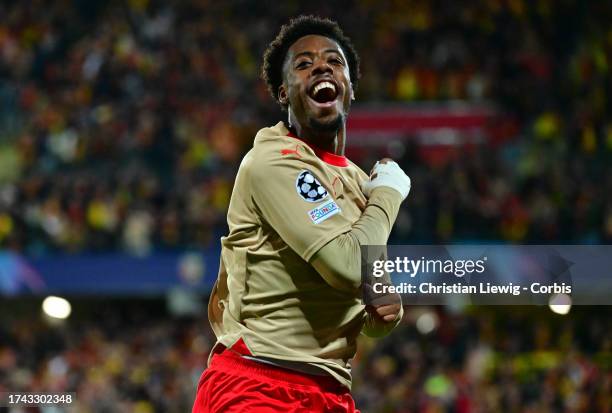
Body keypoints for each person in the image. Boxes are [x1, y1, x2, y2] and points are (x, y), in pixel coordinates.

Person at [192, 15, 411, 413]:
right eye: (303, 64)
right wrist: (390, 196)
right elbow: (348, 265)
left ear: (350, 88)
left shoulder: (363, 185)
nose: (321, 66)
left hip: (330, 392)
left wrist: (383, 314)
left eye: (334, 61)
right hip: (257, 386)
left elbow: (370, 291)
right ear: (283, 92)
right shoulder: (272, 161)